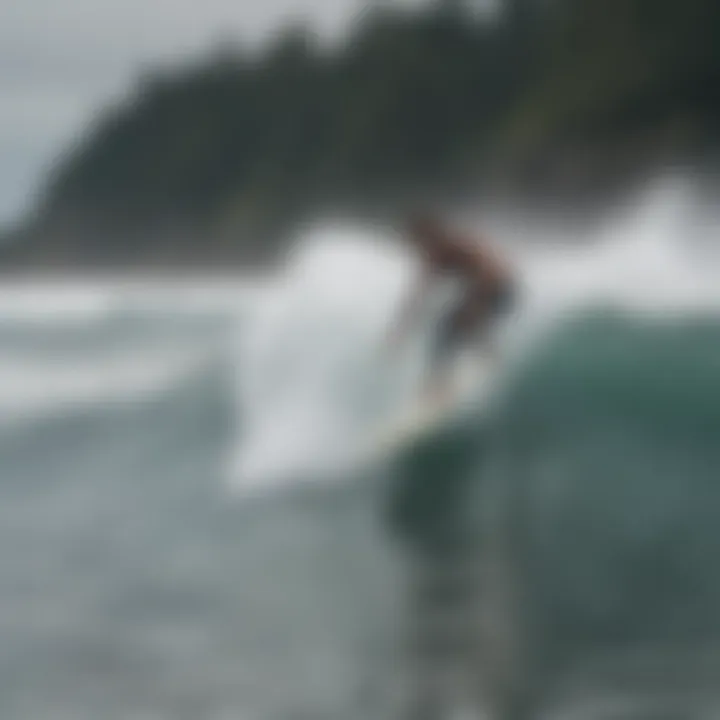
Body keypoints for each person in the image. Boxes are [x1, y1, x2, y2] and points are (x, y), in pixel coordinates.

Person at [387, 212, 516, 404]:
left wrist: (476, 306)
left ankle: (442, 388)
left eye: (415, 240)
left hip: (497, 288)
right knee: (454, 329)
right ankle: (486, 367)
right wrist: (400, 331)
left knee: (448, 329)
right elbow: (419, 296)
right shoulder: (437, 255)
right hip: (488, 290)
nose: (413, 247)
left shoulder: (453, 246)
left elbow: (490, 271)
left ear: (428, 235)